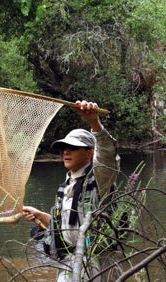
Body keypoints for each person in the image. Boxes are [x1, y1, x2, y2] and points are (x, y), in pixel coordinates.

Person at [22, 100, 121, 281]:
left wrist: (94, 122)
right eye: (64, 148)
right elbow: (69, 225)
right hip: (68, 260)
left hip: (95, 261)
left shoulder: (100, 177)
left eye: (73, 148)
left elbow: (107, 155)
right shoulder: (66, 184)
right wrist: (41, 216)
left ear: (90, 153)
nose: (66, 152)